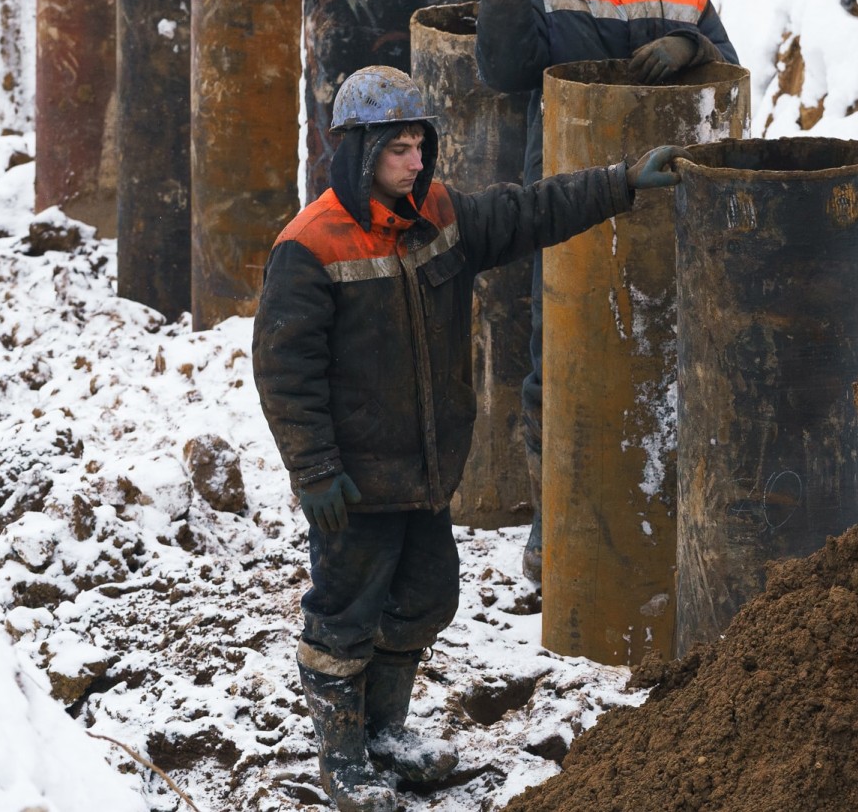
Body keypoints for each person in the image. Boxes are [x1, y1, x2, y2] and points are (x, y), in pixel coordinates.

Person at [253, 64, 679, 812]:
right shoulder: (310, 246)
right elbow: (285, 370)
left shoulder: (438, 215)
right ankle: (343, 759)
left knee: (424, 600)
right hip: (355, 483)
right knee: (345, 616)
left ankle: (385, 734)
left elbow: (528, 211)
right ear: (359, 151)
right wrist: (314, 469)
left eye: (420, 146)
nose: (416, 162)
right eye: (399, 150)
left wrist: (621, 183)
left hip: (424, 471)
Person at [474, 0, 738, 581]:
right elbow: (504, 69)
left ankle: (659, 521)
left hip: (664, 213)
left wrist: (690, 44)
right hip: (566, 202)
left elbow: (726, 72)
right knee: (559, 358)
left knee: (663, 363)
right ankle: (553, 524)